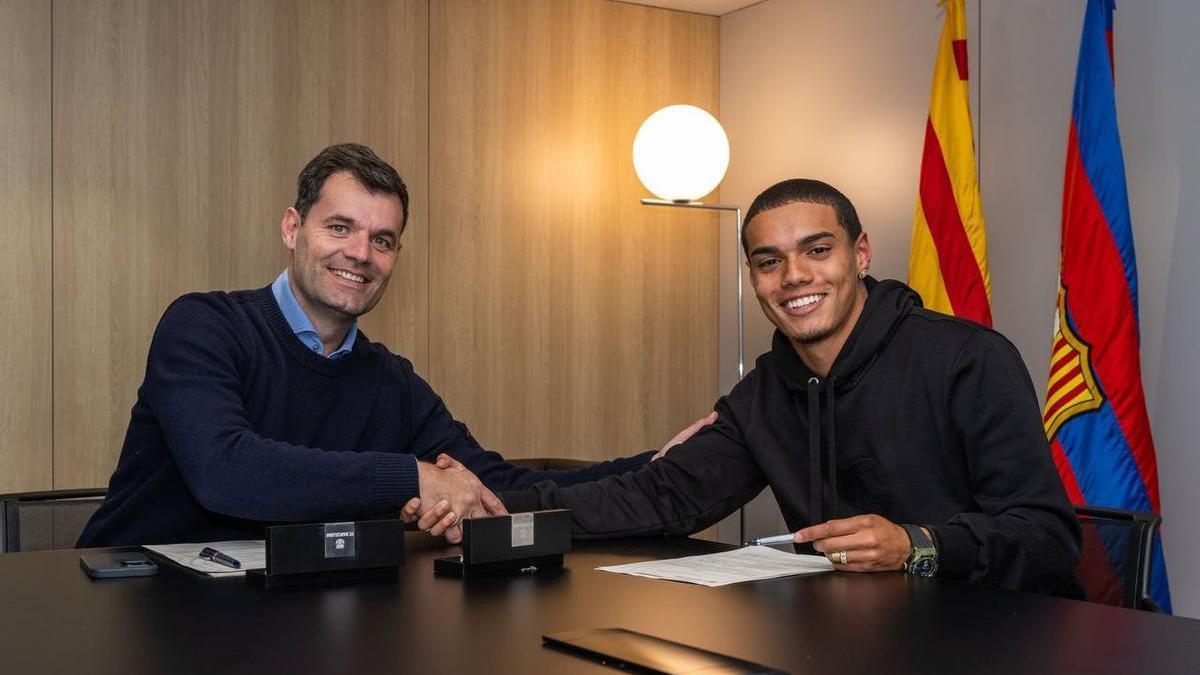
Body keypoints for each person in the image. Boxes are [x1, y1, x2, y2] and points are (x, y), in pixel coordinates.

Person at [78, 143, 684, 548]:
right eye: (340, 228)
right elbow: (226, 470)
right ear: (293, 228)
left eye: (383, 240)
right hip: (124, 601)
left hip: (278, 616)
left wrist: (653, 464)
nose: (361, 255)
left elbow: (493, 481)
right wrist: (411, 478)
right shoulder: (202, 326)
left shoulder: (390, 380)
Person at [498, 179, 1081, 593]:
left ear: (861, 253)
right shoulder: (765, 393)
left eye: (817, 251)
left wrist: (918, 544)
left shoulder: (968, 359)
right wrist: (490, 508)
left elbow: (1047, 538)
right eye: (768, 261)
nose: (794, 276)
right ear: (753, 277)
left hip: (995, 638)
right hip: (847, 643)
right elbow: (658, 498)